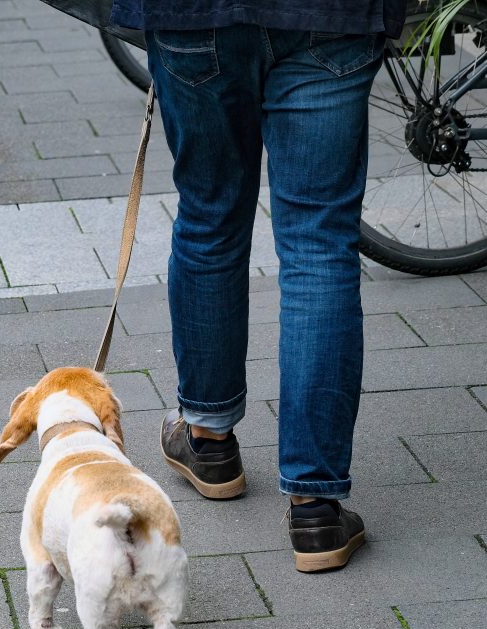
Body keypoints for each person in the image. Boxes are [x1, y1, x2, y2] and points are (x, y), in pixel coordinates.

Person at [110, 1, 406, 573]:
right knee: (319, 243)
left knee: (209, 217)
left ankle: (209, 439)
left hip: (196, 15)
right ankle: (315, 509)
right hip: (331, 16)